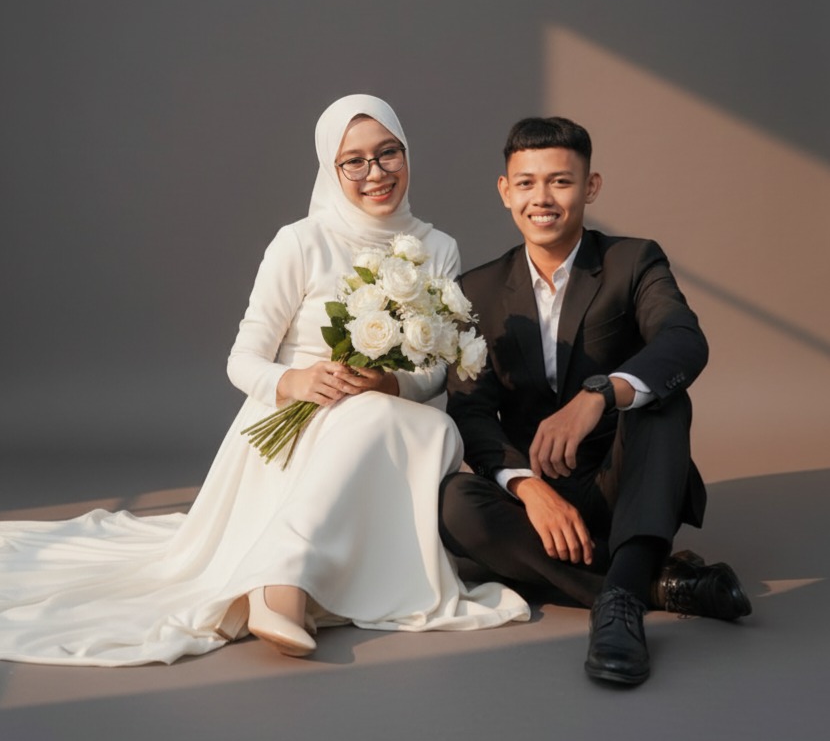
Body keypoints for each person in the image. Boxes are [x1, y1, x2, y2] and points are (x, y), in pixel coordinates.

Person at [0, 94, 528, 666]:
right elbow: (243, 359)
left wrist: (388, 384)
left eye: (388, 154)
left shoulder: (438, 248)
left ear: (407, 154)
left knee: (421, 425)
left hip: (385, 418)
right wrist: (297, 381)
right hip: (297, 423)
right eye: (354, 161)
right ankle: (283, 581)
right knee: (392, 422)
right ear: (331, 167)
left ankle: (282, 577)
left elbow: (434, 371)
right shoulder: (301, 241)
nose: (375, 173)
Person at [439, 115, 751, 687]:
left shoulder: (634, 260)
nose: (542, 198)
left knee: (661, 402)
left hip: (626, 481)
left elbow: (683, 340)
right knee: (452, 501)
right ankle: (654, 584)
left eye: (560, 181)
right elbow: (472, 411)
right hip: (540, 502)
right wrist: (528, 489)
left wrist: (601, 393)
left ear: (591, 187)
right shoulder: (476, 291)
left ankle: (618, 610)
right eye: (526, 182)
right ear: (505, 190)